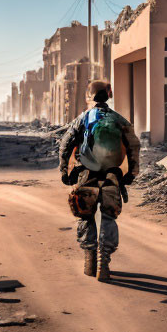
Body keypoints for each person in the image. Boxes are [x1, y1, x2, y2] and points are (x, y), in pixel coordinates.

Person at [58, 79, 140, 282]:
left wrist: (64, 172)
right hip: (112, 175)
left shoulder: (83, 118)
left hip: (87, 174)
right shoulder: (119, 119)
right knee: (109, 217)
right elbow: (134, 146)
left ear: (91, 95)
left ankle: (89, 258)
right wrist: (132, 173)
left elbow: (65, 145)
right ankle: (104, 259)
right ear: (108, 95)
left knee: (86, 216)